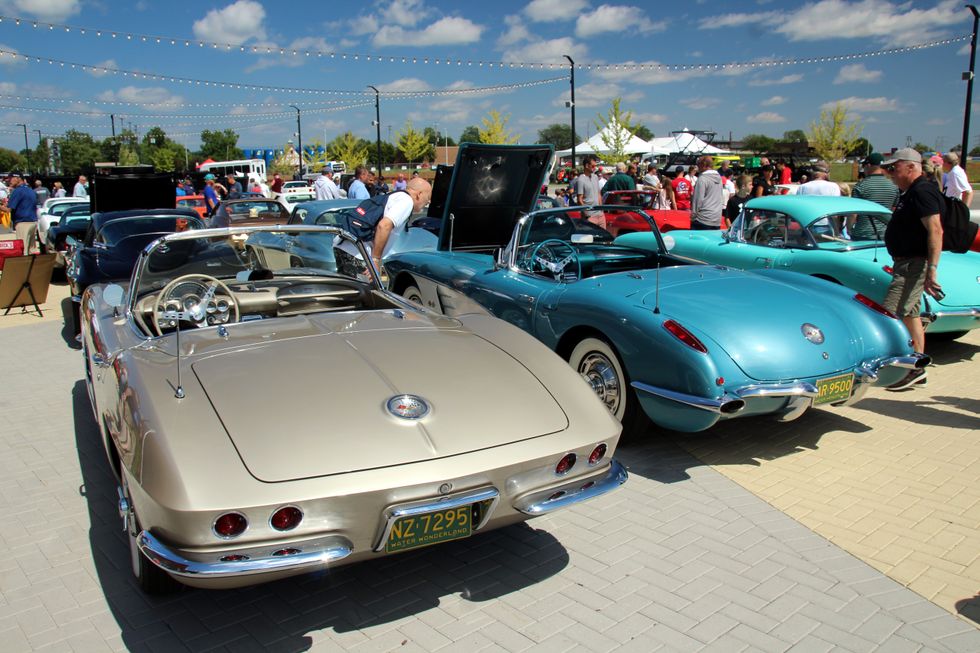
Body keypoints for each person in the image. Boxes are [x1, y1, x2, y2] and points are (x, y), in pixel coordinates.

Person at [880, 148, 943, 389]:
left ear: (910, 167)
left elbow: (935, 230)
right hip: (905, 263)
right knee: (911, 314)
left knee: (890, 312)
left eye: (894, 169)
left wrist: (932, 269)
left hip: (913, 264)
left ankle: (900, 366)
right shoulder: (911, 192)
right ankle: (916, 367)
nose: (891, 174)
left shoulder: (922, 191)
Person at [334, 177, 432, 275]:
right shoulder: (407, 201)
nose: (428, 202)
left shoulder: (395, 196)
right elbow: (384, 225)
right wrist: (375, 260)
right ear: (419, 194)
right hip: (359, 253)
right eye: (428, 197)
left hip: (347, 246)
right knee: (365, 289)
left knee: (351, 288)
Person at [690, 155, 723, 230]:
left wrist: (693, 216)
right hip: (716, 218)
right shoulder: (719, 178)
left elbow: (698, 200)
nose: (698, 167)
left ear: (703, 165)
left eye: (698, 164)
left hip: (702, 218)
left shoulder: (702, 179)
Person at [7, 174, 38, 252]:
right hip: (33, 222)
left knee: (22, 249)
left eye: (11, 178)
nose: (9, 180)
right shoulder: (30, 190)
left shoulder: (17, 191)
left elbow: (8, 209)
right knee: (32, 250)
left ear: (18, 178)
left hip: (23, 223)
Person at [573, 155, 603, 226]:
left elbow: (598, 194)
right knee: (590, 237)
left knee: (603, 237)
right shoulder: (580, 180)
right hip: (590, 216)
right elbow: (579, 199)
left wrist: (601, 210)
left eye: (595, 166)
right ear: (586, 165)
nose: (594, 168)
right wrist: (586, 214)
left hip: (600, 215)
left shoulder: (595, 177)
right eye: (593, 166)